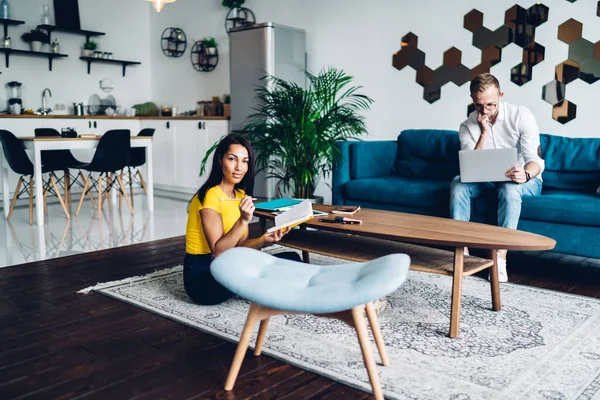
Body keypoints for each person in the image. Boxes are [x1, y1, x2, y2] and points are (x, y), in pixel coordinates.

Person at [184, 134, 301, 305]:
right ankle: (258, 286)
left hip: (229, 263)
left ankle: (254, 286)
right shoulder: (210, 196)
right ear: (219, 160)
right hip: (202, 276)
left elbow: (240, 247)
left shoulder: (239, 195)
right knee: (264, 270)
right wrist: (243, 220)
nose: (239, 167)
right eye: (232, 159)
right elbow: (218, 252)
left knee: (292, 259)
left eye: (245, 161)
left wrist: (263, 239)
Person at [449, 73, 544, 282]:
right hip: (485, 180)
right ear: (472, 99)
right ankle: (461, 253)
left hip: (522, 179)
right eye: (479, 106)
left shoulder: (521, 116)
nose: (485, 111)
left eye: (490, 105)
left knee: (508, 188)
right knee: (457, 183)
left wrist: (525, 174)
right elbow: (470, 166)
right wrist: (483, 132)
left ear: (501, 95)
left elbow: (535, 161)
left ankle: (500, 259)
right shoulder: (467, 125)